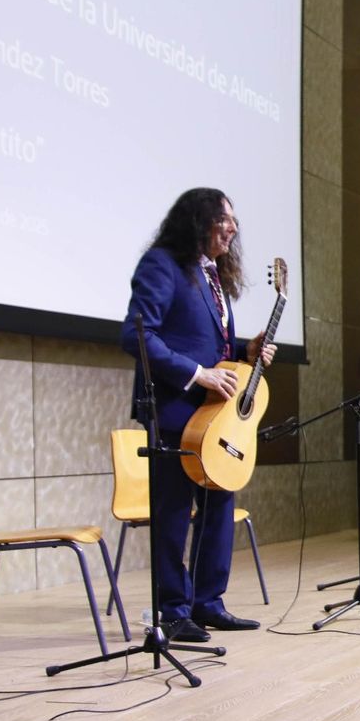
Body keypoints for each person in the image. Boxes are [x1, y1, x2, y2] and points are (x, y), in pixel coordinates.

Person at [122, 189, 275, 643]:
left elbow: (212, 349)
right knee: (172, 512)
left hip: (214, 417)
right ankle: (172, 610)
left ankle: (208, 602)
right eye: (223, 219)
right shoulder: (162, 264)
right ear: (199, 220)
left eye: (233, 221)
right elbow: (138, 335)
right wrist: (197, 375)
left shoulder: (213, 276)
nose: (232, 228)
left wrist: (243, 352)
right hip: (173, 409)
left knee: (218, 502)